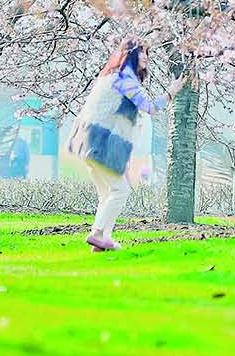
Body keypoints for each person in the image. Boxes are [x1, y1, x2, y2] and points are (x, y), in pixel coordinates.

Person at [68, 41, 180, 252]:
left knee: (107, 193)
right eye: (142, 52)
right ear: (130, 54)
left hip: (88, 141)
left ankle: (102, 241)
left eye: (148, 52)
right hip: (100, 143)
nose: (146, 57)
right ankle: (98, 233)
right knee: (120, 190)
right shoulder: (125, 79)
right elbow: (148, 107)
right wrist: (171, 93)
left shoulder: (112, 76)